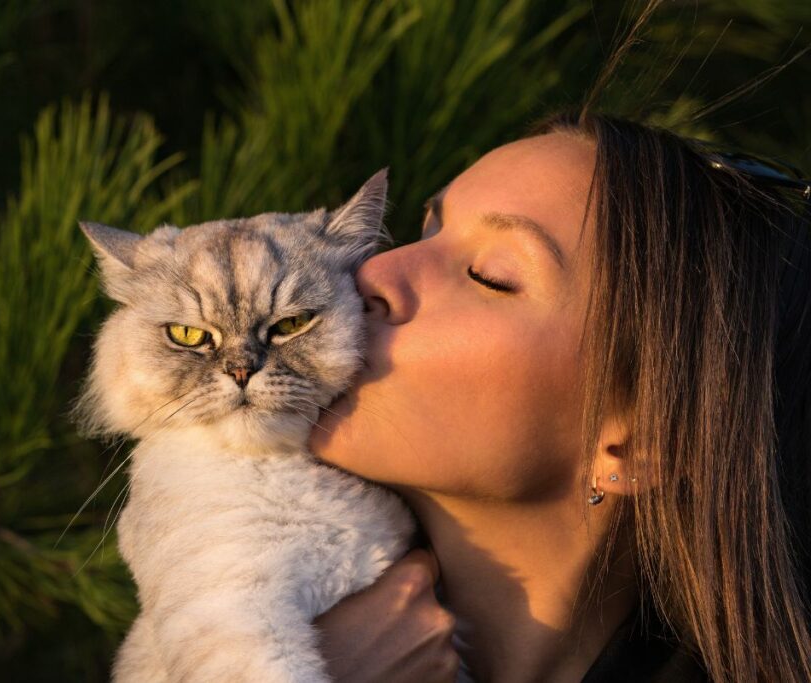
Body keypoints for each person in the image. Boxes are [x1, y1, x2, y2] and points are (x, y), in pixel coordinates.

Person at [306, 109, 811, 682]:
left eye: (488, 275)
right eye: (427, 228)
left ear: (640, 446)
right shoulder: (210, 585)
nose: (373, 272)